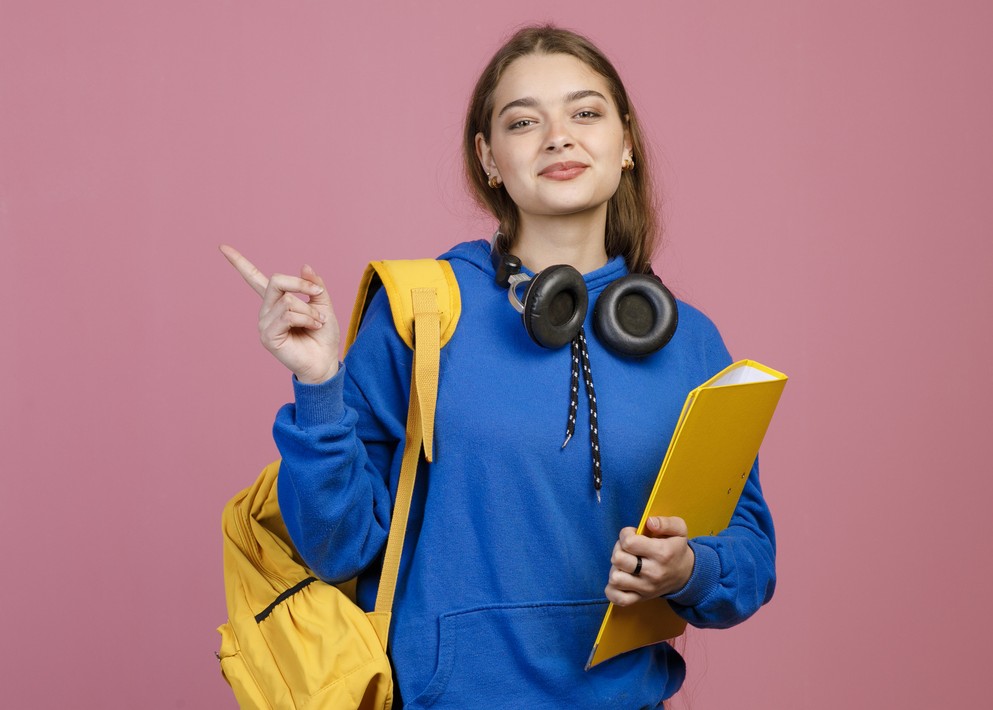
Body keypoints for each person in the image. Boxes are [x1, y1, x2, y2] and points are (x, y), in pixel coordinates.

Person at [222, 24, 775, 709]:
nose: (557, 137)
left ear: (625, 142)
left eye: (585, 112)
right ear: (489, 157)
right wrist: (318, 384)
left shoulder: (690, 342)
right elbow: (337, 547)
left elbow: (748, 559)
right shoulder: (421, 312)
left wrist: (689, 566)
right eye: (522, 121)